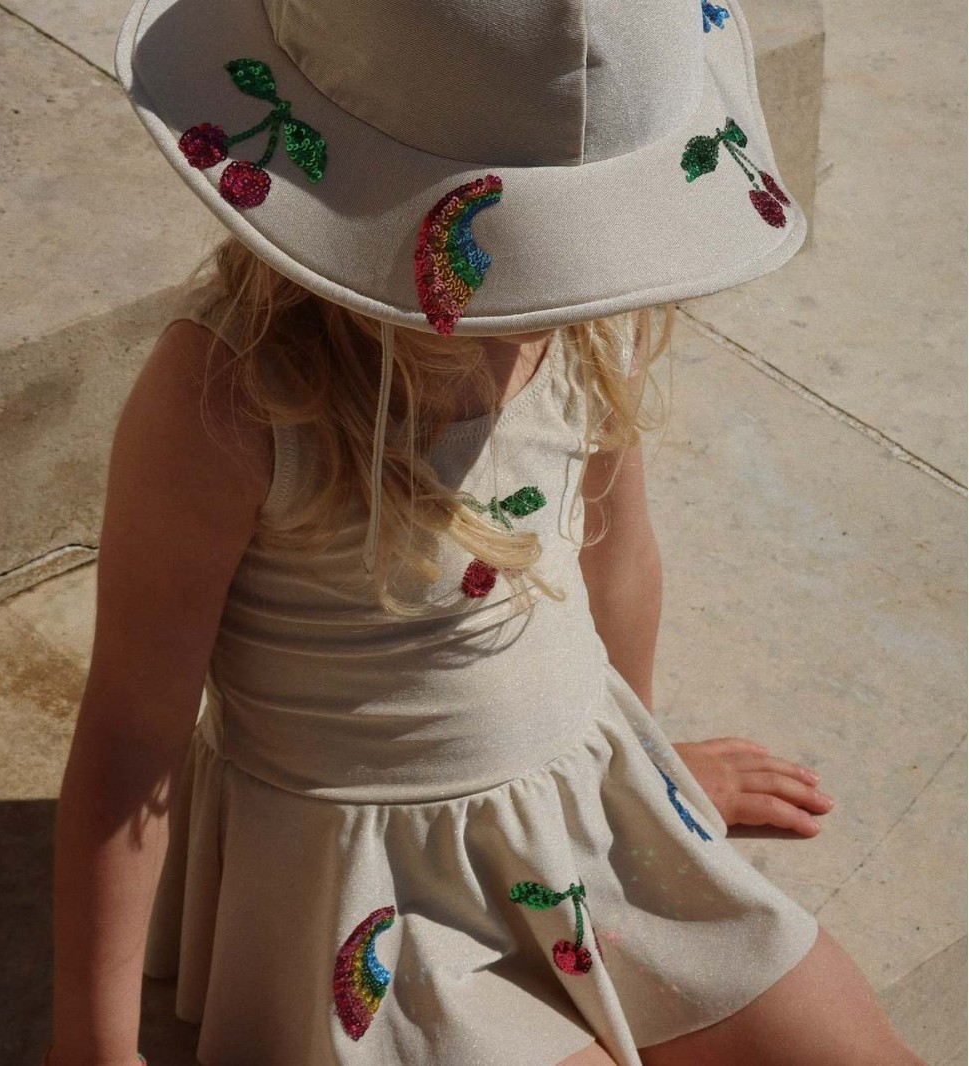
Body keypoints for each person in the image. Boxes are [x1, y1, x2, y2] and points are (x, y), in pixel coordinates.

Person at [46, 1, 922, 1063]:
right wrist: (92, 1044)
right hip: (373, 890)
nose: (570, 269)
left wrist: (645, 773)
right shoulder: (232, 400)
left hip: (585, 810)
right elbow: (132, 731)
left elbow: (618, 559)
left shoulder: (591, 313)